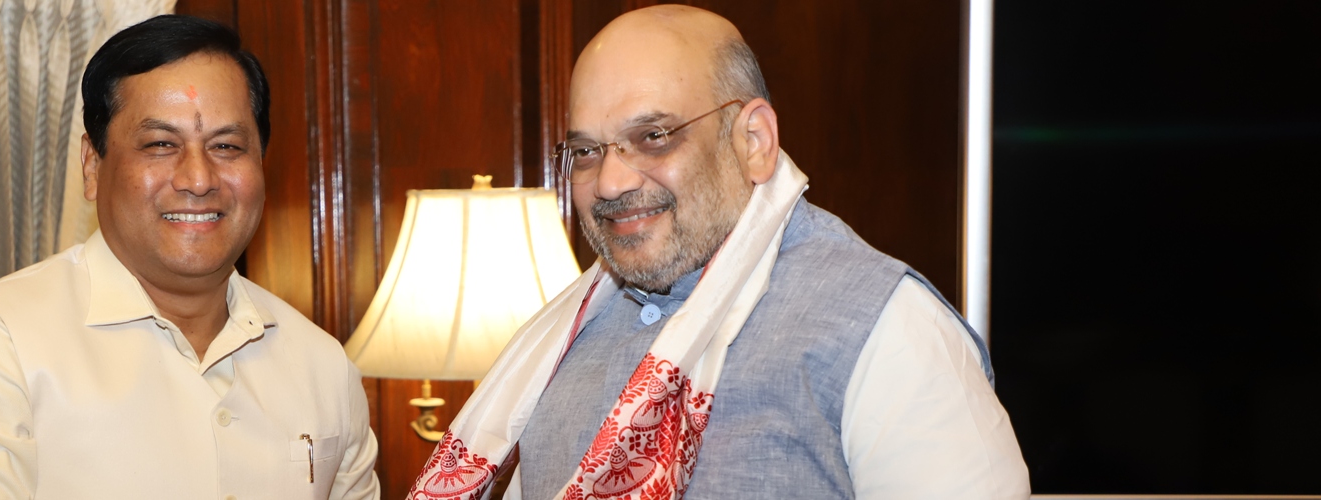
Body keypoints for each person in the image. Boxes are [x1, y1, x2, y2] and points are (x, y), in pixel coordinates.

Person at [408, 5, 1028, 499]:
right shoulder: (555, 344)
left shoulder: (886, 328)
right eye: (587, 151)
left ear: (753, 139)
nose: (611, 183)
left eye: (652, 137)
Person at [0, 15, 378, 499]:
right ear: (92, 166)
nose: (199, 179)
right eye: (161, 144)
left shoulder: (323, 367)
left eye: (226, 146)